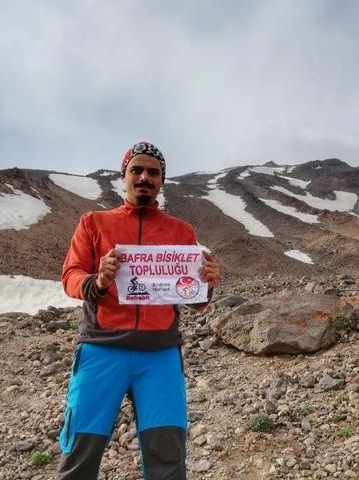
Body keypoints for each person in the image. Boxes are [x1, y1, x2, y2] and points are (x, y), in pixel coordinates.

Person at [57, 141, 220, 479]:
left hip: (159, 354)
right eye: (137, 170)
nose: (145, 177)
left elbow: (194, 297)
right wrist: (99, 280)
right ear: (125, 175)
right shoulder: (93, 223)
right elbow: (71, 276)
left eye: (153, 172)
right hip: (101, 350)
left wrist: (207, 282)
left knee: (168, 459)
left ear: (162, 180)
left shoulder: (181, 231)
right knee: (79, 456)